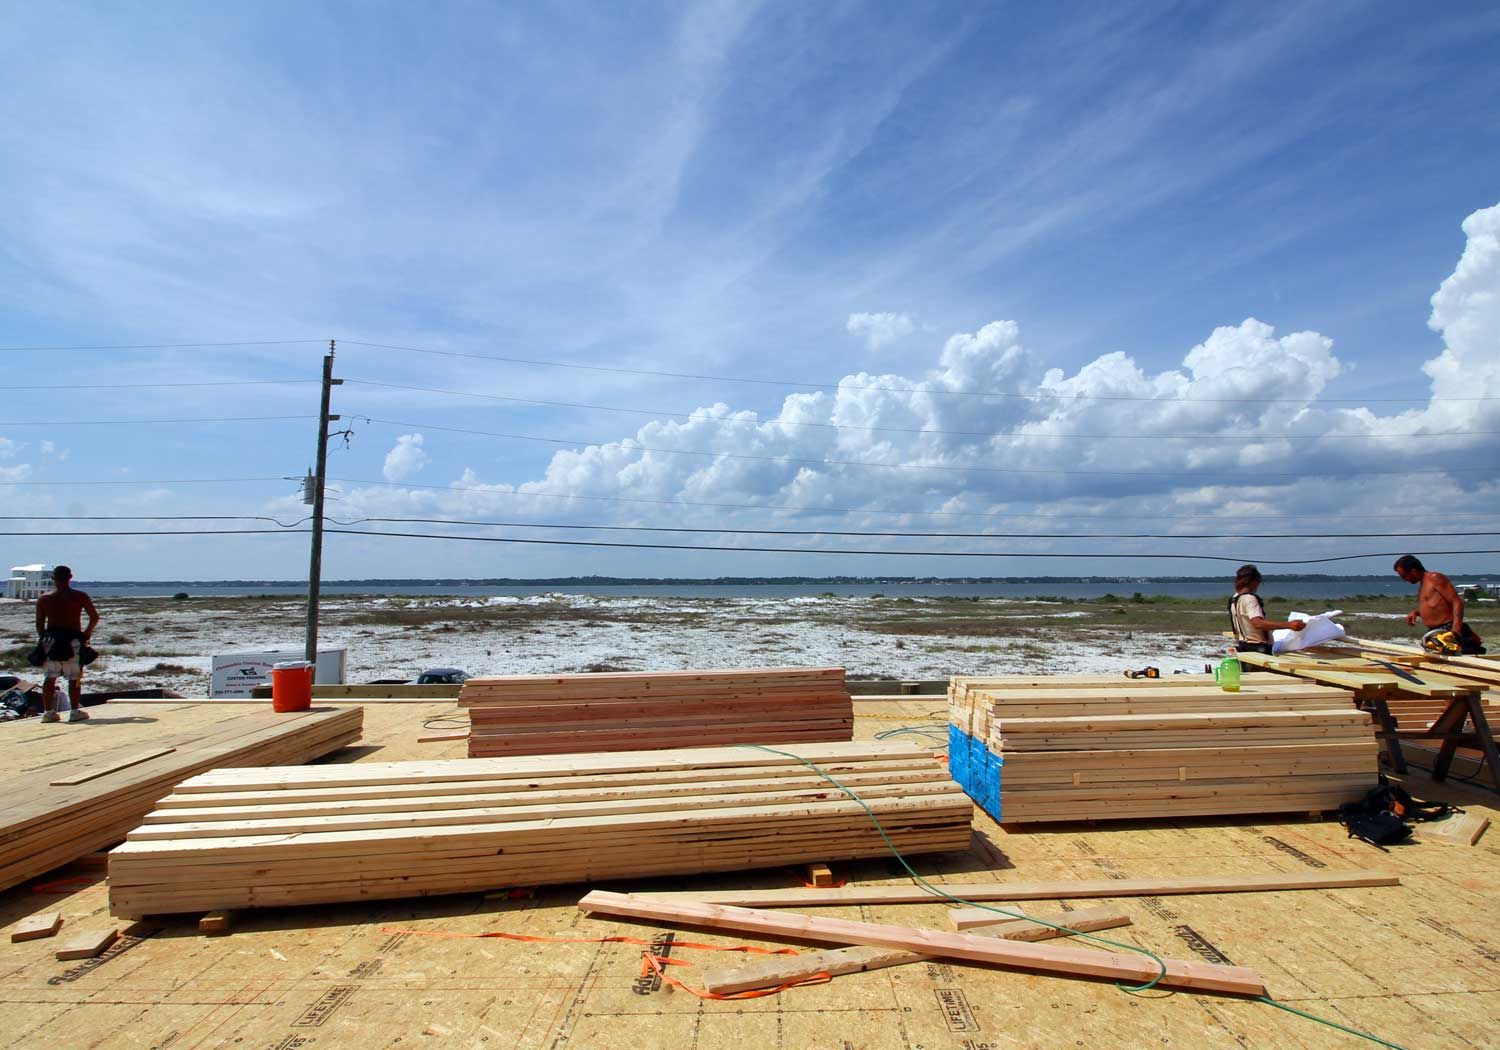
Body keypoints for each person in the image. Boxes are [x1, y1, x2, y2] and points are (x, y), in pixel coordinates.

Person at [35, 565, 100, 723]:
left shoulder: (45, 599)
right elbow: (94, 617)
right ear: (70, 577)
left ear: (53, 578)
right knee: (74, 677)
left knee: (50, 678)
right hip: (73, 640)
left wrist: (44, 639)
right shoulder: (79, 596)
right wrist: (87, 634)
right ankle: (74, 710)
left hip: (52, 640)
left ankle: (49, 712)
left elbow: (39, 623)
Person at [1394, 555, 1485, 654]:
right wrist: (1416, 612)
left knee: (1458, 664)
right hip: (1435, 632)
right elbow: (1435, 606)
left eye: (1404, 576)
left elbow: (1457, 602)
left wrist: (1456, 628)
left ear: (1413, 571)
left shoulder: (1434, 578)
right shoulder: (1423, 584)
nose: (1404, 580)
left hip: (1449, 629)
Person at [1228, 564, 1305, 654]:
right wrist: (1289, 625)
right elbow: (1258, 623)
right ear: (1254, 582)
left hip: (1244, 645)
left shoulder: (1234, 599)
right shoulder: (1249, 599)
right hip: (1258, 648)